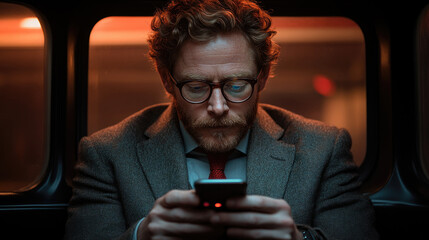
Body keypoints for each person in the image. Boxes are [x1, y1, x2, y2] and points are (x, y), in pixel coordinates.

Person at [64, 0, 379, 239]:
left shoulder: (323, 148)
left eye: (237, 86)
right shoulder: (107, 153)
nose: (217, 106)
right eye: (197, 87)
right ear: (166, 80)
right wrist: (140, 235)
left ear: (264, 76)